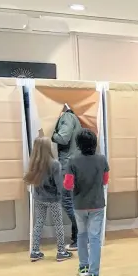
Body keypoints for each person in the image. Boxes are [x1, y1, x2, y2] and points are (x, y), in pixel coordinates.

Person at [63, 129, 109, 276]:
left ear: (78, 144)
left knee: (81, 235)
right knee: (95, 239)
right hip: (97, 204)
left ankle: (83, 267)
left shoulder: (73, 161)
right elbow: (105, 181)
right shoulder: (102, 160)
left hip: (79, 205)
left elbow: (67, 185)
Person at [24, 136, 73, 262]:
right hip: (53, 199)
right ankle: (61, 251)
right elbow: (59, 185)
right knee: (58, 224)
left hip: (39, 197)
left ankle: (35, 251)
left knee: (38, 223)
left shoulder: (33, 163)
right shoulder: (55, 164)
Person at [52, 106, 82, 251]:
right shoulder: (73, 117)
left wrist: (52, 133)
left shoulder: (67, 117)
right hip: (73, 164)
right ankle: (77, 238)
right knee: (72, 203)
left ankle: (81, 237)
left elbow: (63, 138)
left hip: (68, 165)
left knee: (68, 202)